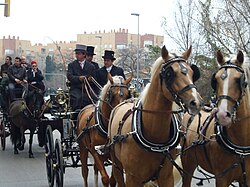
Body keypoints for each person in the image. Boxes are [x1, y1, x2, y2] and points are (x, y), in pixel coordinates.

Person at [67, 44, 96, 111]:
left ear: (84, 55)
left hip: (87, 89)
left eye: (78, 54)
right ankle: (76, 113)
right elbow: (70, 76)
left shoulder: (91, 66)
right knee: (78, 98)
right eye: (76, 53)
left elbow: (94, 78)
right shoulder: (71, 65)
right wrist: (79, 78)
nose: (77, 55)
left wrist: (89, 79)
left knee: (93, 98)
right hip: (75, 89)